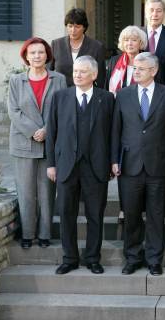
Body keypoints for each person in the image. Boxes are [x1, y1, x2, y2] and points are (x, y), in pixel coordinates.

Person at [46, 56, 114, 275]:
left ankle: (93, 258)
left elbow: (114, 134)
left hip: (96, 166)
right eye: (75, 71)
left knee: (95, 214)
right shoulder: (60, 98)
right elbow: (52, 133)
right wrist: (51, 164)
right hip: (67, 165)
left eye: (83, 72)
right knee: (66, 214)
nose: (77, 75)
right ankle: (69, 258)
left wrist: (113, 162)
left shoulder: (107, 99)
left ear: (94, 75)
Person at [111, 52, 165, 276]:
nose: (135, 71)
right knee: (131, 215)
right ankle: (132, 257)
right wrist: (114, 160)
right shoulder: (123, 95)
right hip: (129, 165)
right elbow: (115, 131)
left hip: (159, 165)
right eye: (134, 68)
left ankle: (154, 259)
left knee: (156, 215)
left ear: (154, 71)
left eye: (141, 68)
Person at [7, 37, 67, 249]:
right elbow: (13, 111)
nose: (37, 56)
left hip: (50, 143)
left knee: (47, 192)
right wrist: (34, 131)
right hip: (24, 143)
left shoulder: (58, 79)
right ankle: (27, 234)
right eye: (32, 53)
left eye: (40, 52)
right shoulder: (16, 81)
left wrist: (47, 131)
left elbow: (63, 108)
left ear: (47, 55)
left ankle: (44, 235)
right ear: (26, 57)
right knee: (25, 191)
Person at [49, 8, 107, 89]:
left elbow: (101, 78)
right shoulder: (56, 44)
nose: (73, 30)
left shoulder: (96, 47)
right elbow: (48, 73)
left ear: (84, 27)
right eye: (70, 26)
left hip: (86, 95)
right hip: (61, 95)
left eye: (77, 27)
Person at [106, 26, 147, 95]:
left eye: (134, 40)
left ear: (140, 42)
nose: (129, 43)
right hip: (117, 103)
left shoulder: (147, 61)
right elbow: (107, 87)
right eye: (126, 40)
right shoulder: (114, 61)